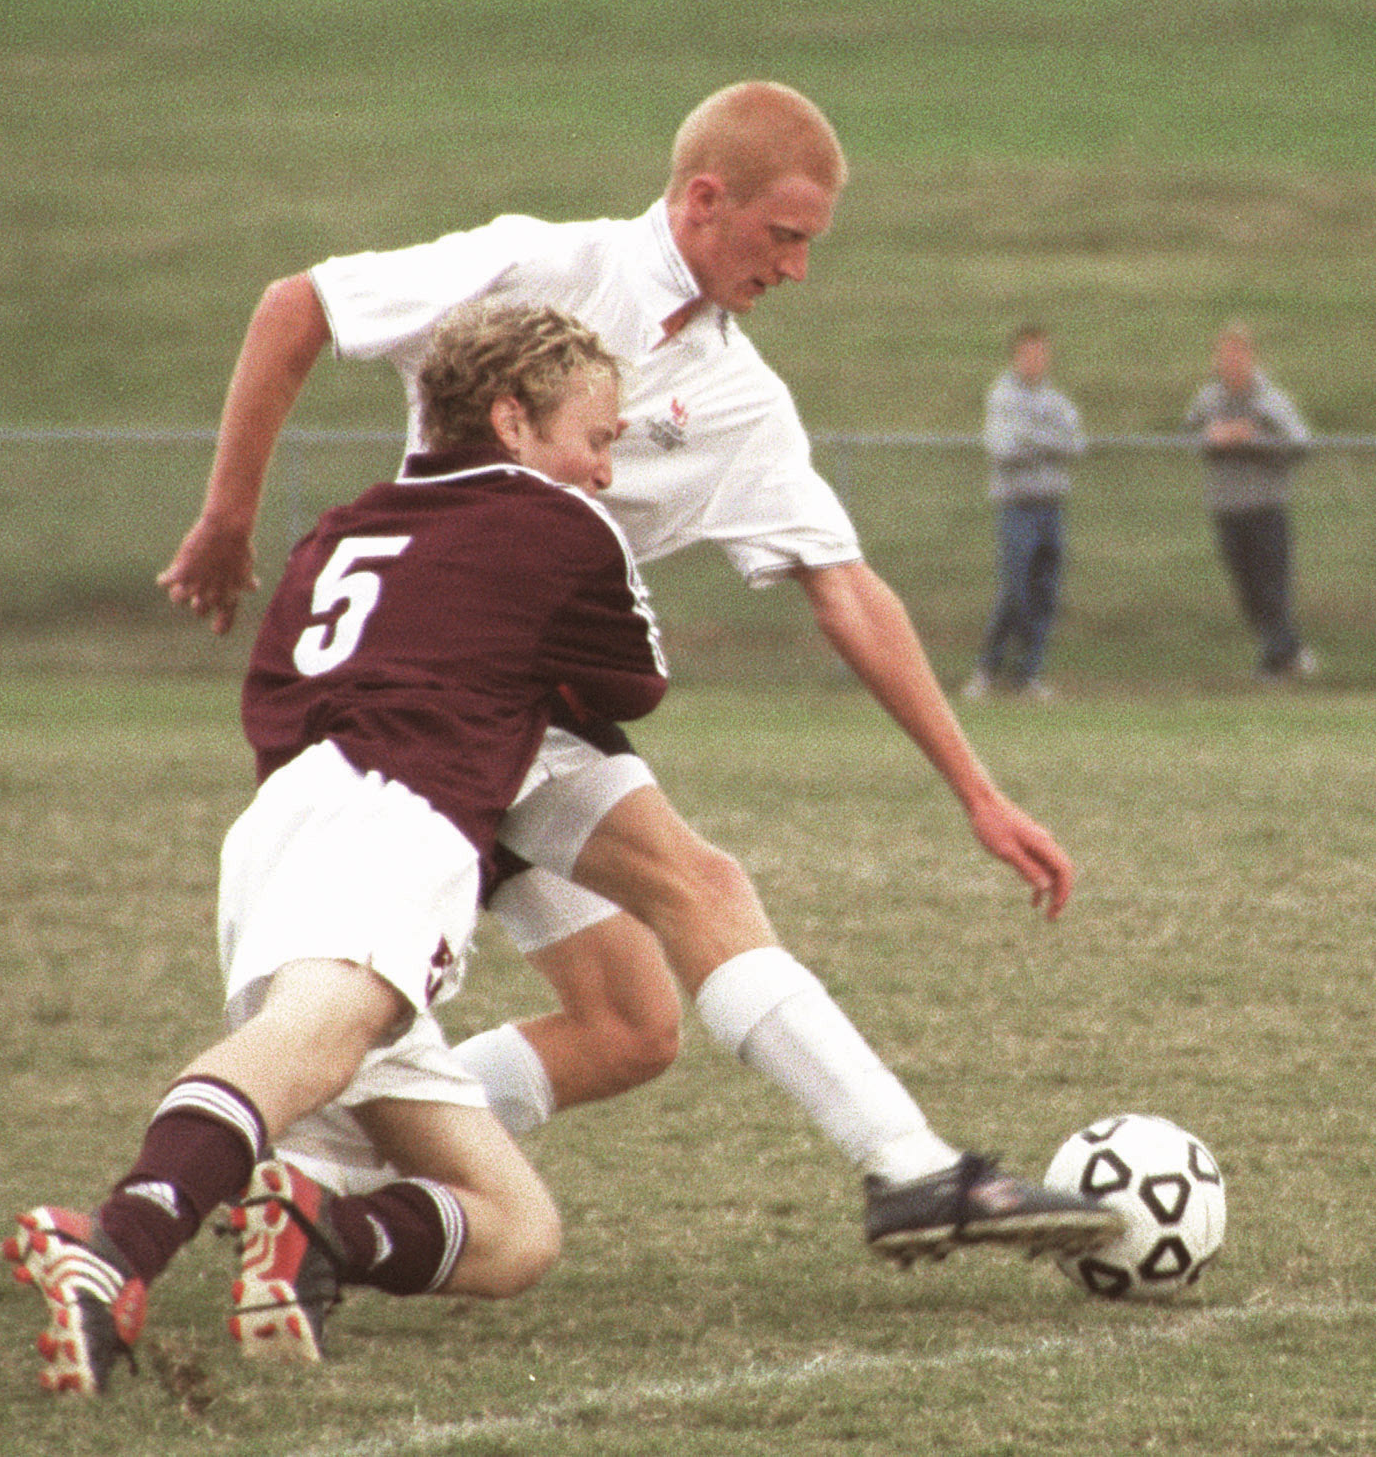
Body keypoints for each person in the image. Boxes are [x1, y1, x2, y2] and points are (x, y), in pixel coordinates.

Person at [161, 82, 1117, 1325]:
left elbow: (846, 589)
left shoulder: (744, 401)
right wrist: (228, 516)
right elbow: (299, 307)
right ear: (705, 200)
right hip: (435, 698)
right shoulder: (541, 266)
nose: (801, 268)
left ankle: (321, 1194)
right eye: (786, 235)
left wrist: (978, 792)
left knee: (627, 1028)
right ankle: (913, 1170)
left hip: (523, 713)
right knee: (700, 885)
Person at [3, 303, 667, 1396]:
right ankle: (115, 1242)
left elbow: (277, 688)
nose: (601, 469)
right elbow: (633, 685)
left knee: (518, 1232)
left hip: (283, 821)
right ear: (511, 420)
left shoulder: (340, 526)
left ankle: (318, 1234)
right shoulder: (557, 525)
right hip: (397, 814)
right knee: (309, 1039)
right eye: (595, 437)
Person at [1182, 323, 1317, 681]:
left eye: (1239, 355)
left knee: (1271, 583)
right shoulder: (1207, 400)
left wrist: (1252, 439)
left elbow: (1300, 443)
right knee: (1246, 589)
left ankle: (1273, 662)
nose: (1232, 363)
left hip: (1265, 507)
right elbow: (1186, 437)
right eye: (1225, 356)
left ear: (1252, 357)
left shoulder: (1270, 399)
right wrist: (1212, 438)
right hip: (1227, 508)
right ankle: (1290, 651)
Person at [964, 324, 1084, 702]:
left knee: (1045, 590)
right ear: (1017, 356)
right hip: (1017, 506)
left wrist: (1032, 438)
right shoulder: (1002, 397)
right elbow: (1003, 449)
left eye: (1041, 354)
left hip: (1051, 506)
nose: (1035, 361)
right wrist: (1047, 443)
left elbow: (1075, 444)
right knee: (1015, 590)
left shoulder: (1057, 400)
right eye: (1028, 353)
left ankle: (1029, 674)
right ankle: (987, 669)